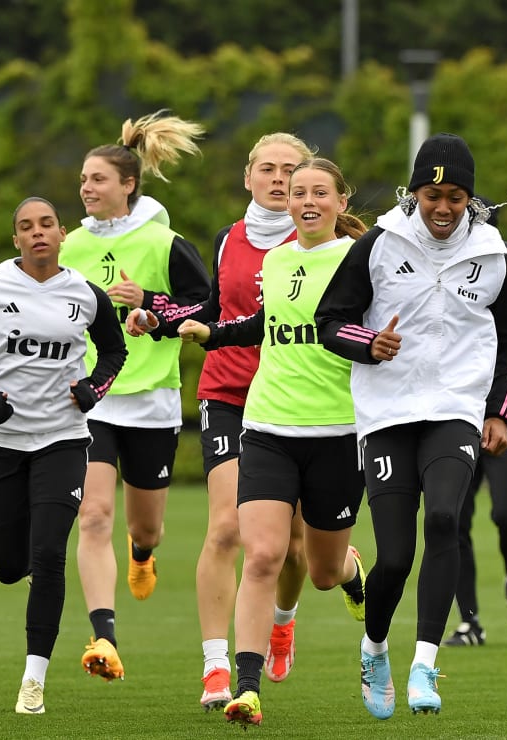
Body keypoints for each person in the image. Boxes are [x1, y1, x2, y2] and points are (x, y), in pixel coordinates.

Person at [316, 133, 507, 719]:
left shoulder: (492, 255)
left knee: (444, 519)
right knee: (393, 558)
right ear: (414, 195)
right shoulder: (381, 245)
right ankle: (375, 649)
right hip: (386, 414)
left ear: (471, 199)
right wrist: (370, 342)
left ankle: (425, 664)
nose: (443, 208)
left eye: (456, 197)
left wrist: (500, 412)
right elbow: (329, 321)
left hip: (455, 410)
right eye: (433, 195)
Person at [124, 133, 331, 708]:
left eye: (289, 171)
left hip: (297, 401)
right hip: (229, 393)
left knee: (294, 549)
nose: (277, 179)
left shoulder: (322, 242)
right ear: (248, 177)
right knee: (226, 529)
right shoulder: (228, 239)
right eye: (266, 169)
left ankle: (283, 622)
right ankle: (216, 667)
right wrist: (159, 317)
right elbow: (213, 309)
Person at [170, 157, 369, 727]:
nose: (305, 200)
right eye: (297, 191)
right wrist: (213, 334)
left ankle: (352, 573)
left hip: (335, 430)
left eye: (317, 192)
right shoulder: (277, 260)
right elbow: (263, 322)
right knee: (260, 553)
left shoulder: (360, 259)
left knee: (322, 568)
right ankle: (246, 687)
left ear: (339, 201)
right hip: (267, 425)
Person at [0, 196, 128, 714]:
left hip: (63, 438)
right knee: (10, 566)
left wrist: (94, 390)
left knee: (51, 555)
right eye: (27, 227)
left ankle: (34, 680)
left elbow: (114, 351)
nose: (38, 233)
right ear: (16, 239)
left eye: (47, 225)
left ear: (61, 233)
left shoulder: (84, 293)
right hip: (0, 442)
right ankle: (27, 566)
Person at [59, 111, 212, 682]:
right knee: (93, 515)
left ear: (128, 184)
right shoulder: (68, 246)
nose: (87, 188)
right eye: (83, 179)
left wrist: (151, 305)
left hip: (151, 402)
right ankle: (104, 637)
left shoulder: (166, 243)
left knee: (144, 528)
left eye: (98, 179)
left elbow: (206, 310)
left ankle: (143, 555)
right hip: (90, 400)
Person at [443, 209, 507, 649]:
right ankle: (470, 622)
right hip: (455, 415)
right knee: (452, 520)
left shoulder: (506, 270)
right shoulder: (440, 277)